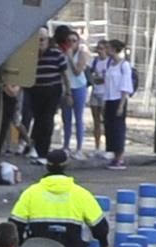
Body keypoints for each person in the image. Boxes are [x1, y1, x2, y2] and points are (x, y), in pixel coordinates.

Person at [9, 149, 111, 247]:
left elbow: (15, 226)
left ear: (47, 166)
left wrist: (20, 246)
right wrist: (104, 245)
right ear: (66, 165)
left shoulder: (30, 193)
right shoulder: (81, 194)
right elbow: (100, 227)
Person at [25, 28, 71, 162]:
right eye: (37, 40)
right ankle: (36, 148)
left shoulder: (56, 53)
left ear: (47, 40)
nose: (40, 43)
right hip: (35, 90)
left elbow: (65, 75)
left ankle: (43, 152)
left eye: (43, 40)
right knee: (38, 120)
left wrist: (68, 92)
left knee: (47, 120)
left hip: (52, 90)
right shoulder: (31, 55)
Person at [101, 40, 134, 170]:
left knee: (118, 127)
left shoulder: (124, 65)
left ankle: (120, 157)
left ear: (114, 49)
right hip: (109, 99)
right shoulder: (110, 64)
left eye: (108, 48)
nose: (106, 50)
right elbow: (107, 84)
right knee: (109, 128)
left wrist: (121, 105)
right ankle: (114, 155)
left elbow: (125, 86)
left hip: (118, 99)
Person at [61, 30, 91, 159]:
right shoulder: (63, 53)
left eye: (74, 40)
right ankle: (66, 146)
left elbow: (77, 71)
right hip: (67, 87)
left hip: (79, 86)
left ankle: (79, 148)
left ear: (78, 42)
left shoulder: (82, 53)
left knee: (78, 117)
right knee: (66, 118)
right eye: (69, 41)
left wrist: (70, 58)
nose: (72, 43)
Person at [87, 39, 109, 154]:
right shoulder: (95, 61)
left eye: (101, 49)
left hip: (105, 94)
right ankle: (97, 147)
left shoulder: (109, 62)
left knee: (106, 120)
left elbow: (105, 79)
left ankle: (108, 147)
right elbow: (89, 74)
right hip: (95, 92)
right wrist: (94, 79)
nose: (99, 51)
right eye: (98, 49)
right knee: (96, 121)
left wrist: (98, 78)